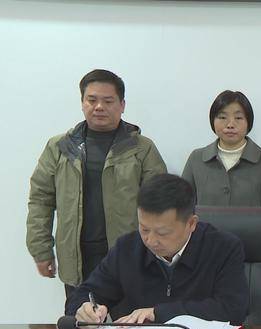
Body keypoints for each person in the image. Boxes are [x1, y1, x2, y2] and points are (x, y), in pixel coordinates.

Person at [27, 69, 166, 297]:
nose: (99, 107)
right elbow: (40, 200)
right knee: (80, 317)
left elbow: (161, 205)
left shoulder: (142, 149)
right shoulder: (60, 147)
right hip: (77, 258)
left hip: (128, 256)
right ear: (82, 103)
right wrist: (41, 250)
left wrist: (158, 252)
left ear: (122, 105)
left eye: (108, 101)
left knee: (129, 318)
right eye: (92, 100)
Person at [66, 174, 249, 325]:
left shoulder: (223, 247)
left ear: (191, 224)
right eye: (144, 229)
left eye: (163, 233)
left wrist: (158, 313)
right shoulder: (126, 249)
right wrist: (85, 309)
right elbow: (84, 294)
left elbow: (233, 309)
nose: (151, 241)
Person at [182, 90, 261, 207]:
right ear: (212, 121)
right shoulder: (196, 159)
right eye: (222, 117)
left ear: (248, 122)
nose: (230, 124)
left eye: (238, 118)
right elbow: (181, 208)